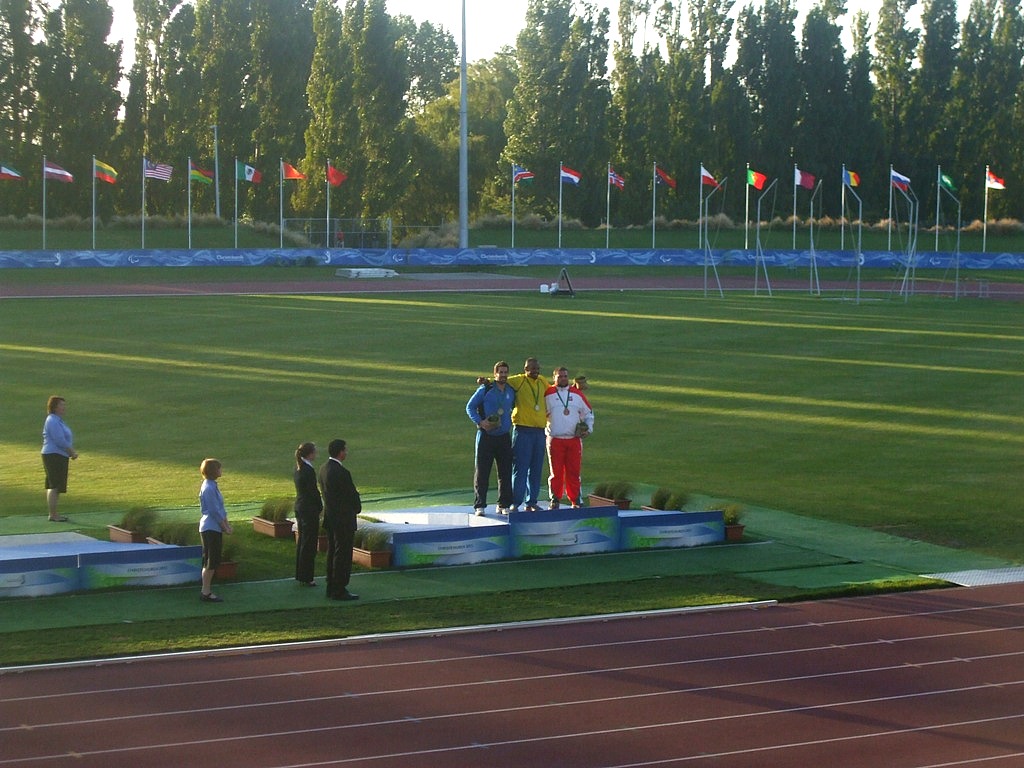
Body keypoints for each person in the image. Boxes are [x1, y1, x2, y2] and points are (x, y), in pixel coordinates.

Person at [466, 360, 516, 515]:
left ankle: (503, 504)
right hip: (486, 436)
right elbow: (470, 407)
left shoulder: (510, 391)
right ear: (495, 374)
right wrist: (480, 422)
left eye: (505, 372)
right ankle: (479, 505)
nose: (503, 375)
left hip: (504, 437)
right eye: (500, 372)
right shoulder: (485, 389)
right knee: (482, 472)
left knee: (505, 472)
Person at [544, 366, 594, 509]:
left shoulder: (577, 394)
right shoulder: (548, 394)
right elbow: (540, 413)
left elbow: (588, 413)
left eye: (565, 376)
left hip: (574, 439)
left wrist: (588, 429)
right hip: (555, 439)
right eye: (560, 376)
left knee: (574, 471)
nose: (563, 379)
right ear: (554, 378)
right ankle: (555, 498)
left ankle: (575, 499)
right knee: (556, 471)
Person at [318, 439, 361, 601]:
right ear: (340, 452)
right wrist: (357, 507)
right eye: (345, 450)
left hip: (331, 517)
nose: (346, 453)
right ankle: (339, 588)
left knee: (332, 552)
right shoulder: (342, 473)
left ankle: (331, 585)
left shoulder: (323, 469)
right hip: (343, 519)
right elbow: (351, 495)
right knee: (342, 554)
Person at [506, 357, 550, 512]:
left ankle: (531, 502)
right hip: (522, 430)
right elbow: (500, 380)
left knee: (536, 468)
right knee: (520, 468)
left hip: (539, 432)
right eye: (532, 369)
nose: (536, 371)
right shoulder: (519, 381)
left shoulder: (542, 381)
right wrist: (486, 381)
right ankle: (515, 502)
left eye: (537, 369)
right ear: (526, 369)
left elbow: (554, 391)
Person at [198, 458, 233, 602]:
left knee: (212, 560)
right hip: (210, 527)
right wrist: (225, 527)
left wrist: (226, 524)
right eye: (219, 468)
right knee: (211, 560)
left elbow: (220, 508)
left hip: (214, 527)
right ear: (213, 471)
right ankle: (205, 591)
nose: (221, 470)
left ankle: (206, 590)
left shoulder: (212, 486)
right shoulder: (208, 488)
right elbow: (214, 511)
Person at [41, 395, 78, 522]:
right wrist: (71, 451)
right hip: (54, 455)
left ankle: (54, 513)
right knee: (55, 485)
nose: (64, 407)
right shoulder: (52, 420)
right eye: (62, 405)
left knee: (55, 485)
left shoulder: (58, 420)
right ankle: (53, 514)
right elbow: (59, 440)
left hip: (58, 455)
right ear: (55, 407)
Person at [293, 441, 323, 586]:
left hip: (300, 507)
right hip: (308, 509)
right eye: (314, 452)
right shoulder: (308, 470)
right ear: (310, 454)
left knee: (303, 541)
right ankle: (307, 576)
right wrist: (320, 507)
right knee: (309, 543)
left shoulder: (298, 468)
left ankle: (301, 574)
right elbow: (313, 491)